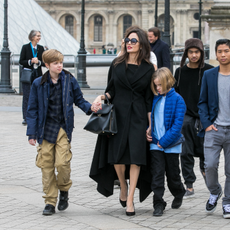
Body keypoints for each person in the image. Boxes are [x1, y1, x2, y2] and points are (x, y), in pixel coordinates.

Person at [90, 26, 155, 216]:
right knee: (117, 156)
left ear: (141, 44)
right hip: (117, 114)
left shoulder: (148, 68)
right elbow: (111, 90)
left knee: (136, 158)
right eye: (127, 40)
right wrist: (100, 97)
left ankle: (131, 199)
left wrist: (150, 125)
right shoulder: (117, 64)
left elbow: (148, 99)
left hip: (138, 116)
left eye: (133, 41)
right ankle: (123, 186)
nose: (129, 44)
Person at [26, 49, 100, 215]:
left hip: (62, 129)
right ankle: (50, 202)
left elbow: (79, 100)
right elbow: (32, 109)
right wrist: (31, 134)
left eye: (61, 62)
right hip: (44, 130)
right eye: (55, 63)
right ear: (47, 65)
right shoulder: (38, 83)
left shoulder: (69, 80)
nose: (59, 65)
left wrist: (91, 108)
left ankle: (64, 191)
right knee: (46, 166)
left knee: (62, 163)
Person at [174, 38, 213, 198]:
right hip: (186, 118)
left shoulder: (210, 71)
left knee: (207, 153)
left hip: (205, 118)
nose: (194, 55)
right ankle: (189, 185)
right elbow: (175, 95)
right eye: (191, 52)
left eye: (197, 52)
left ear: (201, 53)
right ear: (186, 53)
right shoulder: (180, 72)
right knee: (185, 153)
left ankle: (210, 182)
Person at [146, 67, 186, 216]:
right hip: (155, 144)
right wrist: (148, 131)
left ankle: (179, 191)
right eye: (155, 85)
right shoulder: (154, 98)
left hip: (171, 145)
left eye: (160, 85)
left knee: (173, 175)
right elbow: (150, 119)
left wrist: (164, 141)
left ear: (168, 81)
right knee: (157, 174)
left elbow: (177, 126)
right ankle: (158, 203)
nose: (157, 88)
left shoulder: (178, 100)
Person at [198, 39, 230, 219]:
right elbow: (201, 102)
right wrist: (207, 124)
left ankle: (228, 203)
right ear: (215, 54)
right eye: (220, 51)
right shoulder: (209, 75)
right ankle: (215, 191)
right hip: (214, 129)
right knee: (209, 166)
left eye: (226, 51)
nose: (223, 55)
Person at [19, 30, 45, 125]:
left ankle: (37, 116)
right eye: (38, 36)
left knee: (38, 96)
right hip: (28, 74)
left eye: (39, 36)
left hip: (37, 74)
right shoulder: (25, 47)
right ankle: (26, 117)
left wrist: (38, 62)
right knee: (27, 96)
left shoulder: (41, 48)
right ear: (32, 37)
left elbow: (44, 62)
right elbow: (21, 61)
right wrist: (30, 61)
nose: (39, 37)